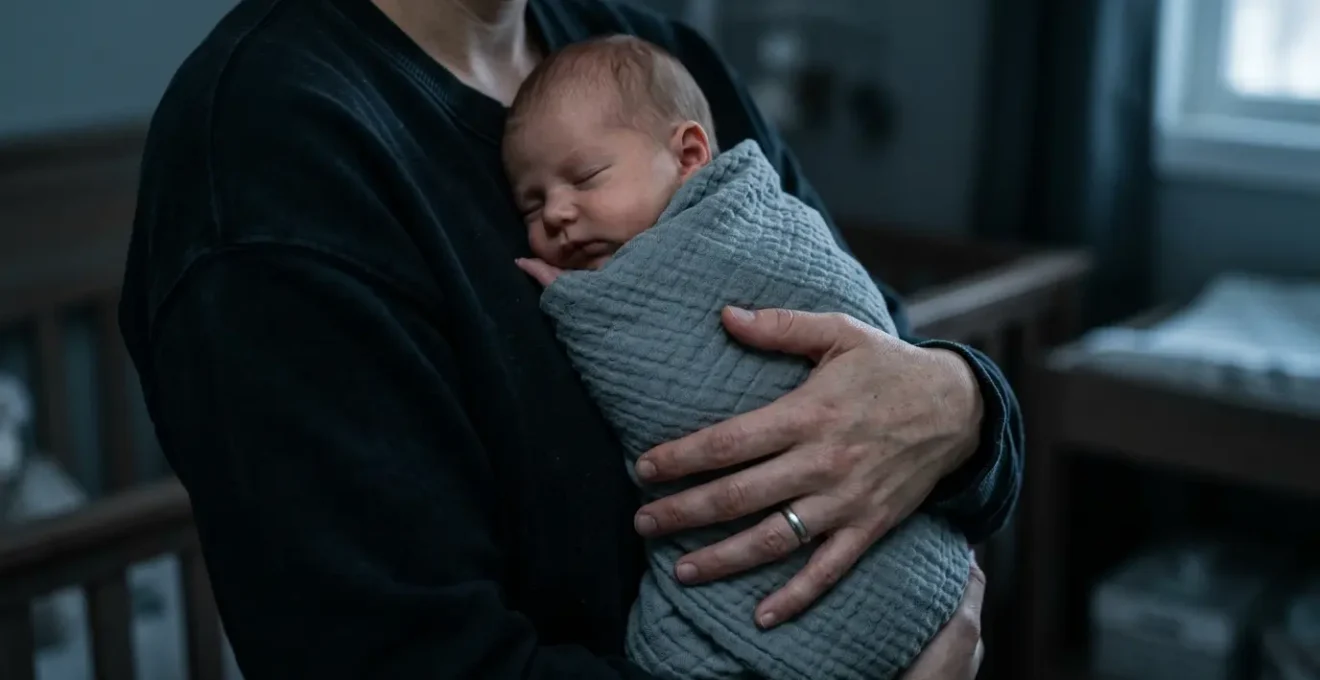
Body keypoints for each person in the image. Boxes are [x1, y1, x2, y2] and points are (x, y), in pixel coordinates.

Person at [118, 0, 1022, 677]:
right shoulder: (272, 152)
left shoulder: (647, 58)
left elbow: (881, 346)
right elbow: (402, 654)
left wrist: (965, 404)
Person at [503, 35, 973, 680]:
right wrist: (587, 305)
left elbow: (886, 339)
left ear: (690, 156)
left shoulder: (750, 215)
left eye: (585, 178)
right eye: (530, 204)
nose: (556, 212)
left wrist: (968, 397)